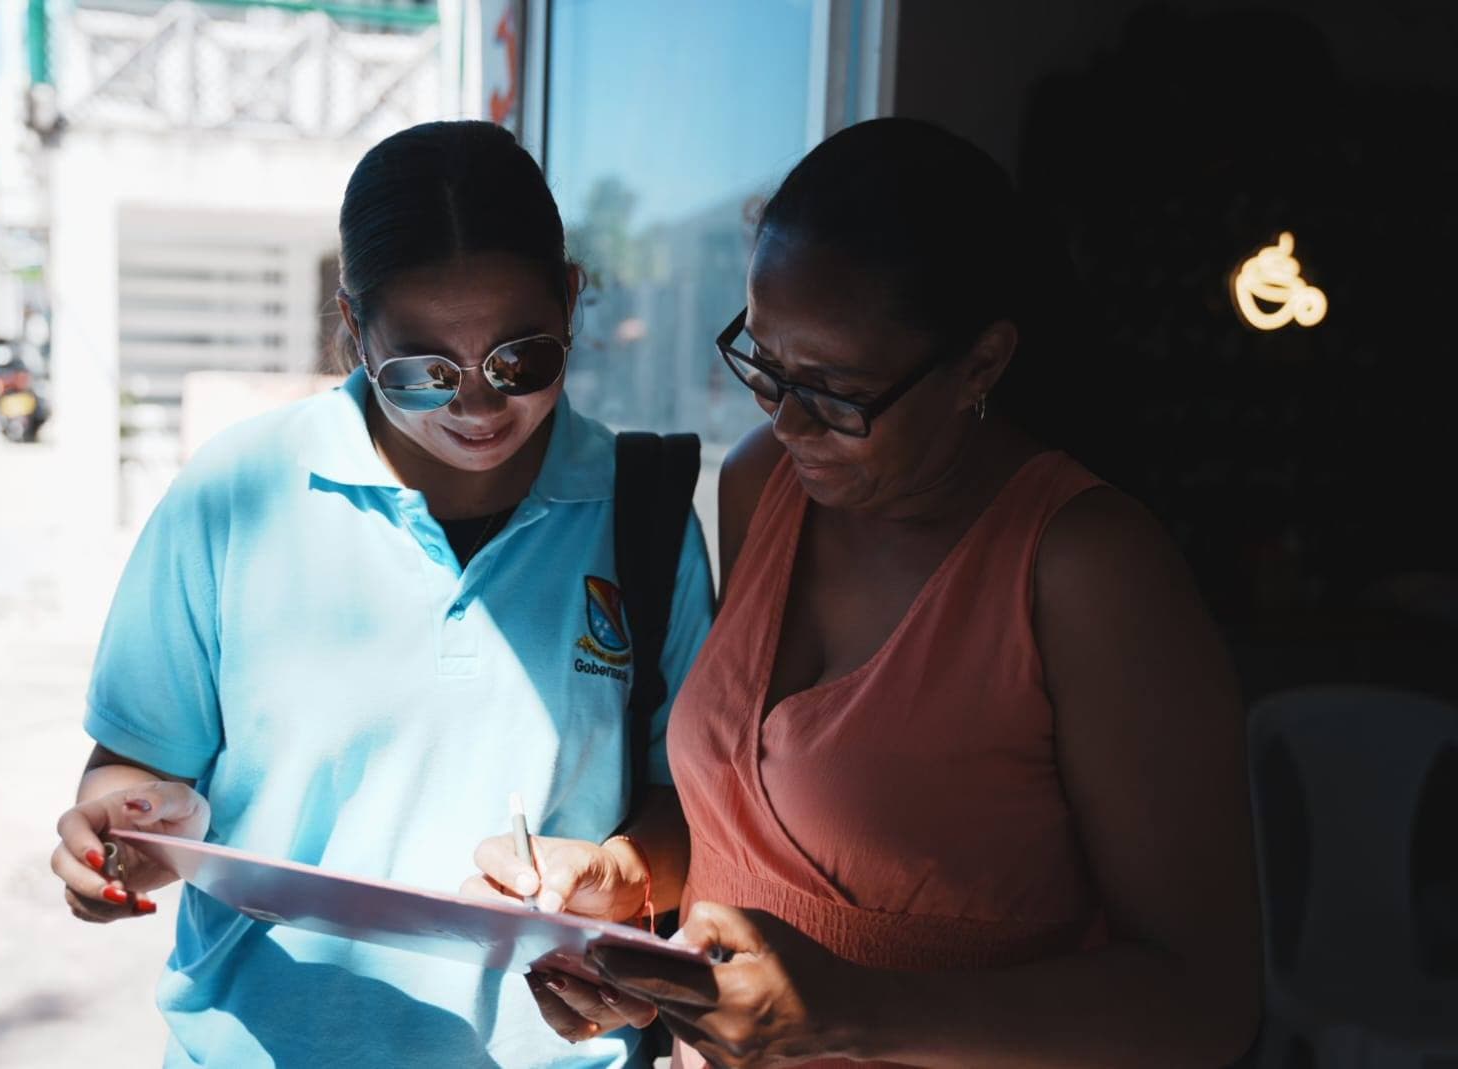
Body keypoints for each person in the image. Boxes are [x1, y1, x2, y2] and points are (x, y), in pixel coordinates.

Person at [471, 117, 1261, 1067]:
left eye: (838, 391)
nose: (789, 418)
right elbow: (750, 831)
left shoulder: (1086, 568)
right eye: (765, 365)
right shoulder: (763, 484)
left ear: (981, 362)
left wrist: (853, 1012)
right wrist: (629, 894)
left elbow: (1206, 1004)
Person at [47, 120, 713, 1068]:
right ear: (354, 328)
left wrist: (616, 874)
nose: (479, 408)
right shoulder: (239, 495)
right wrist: (118, 832)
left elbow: (688, 809)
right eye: (424, 373)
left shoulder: (640, 515)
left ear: (571, 300)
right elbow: (131, 764)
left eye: (521, 359)